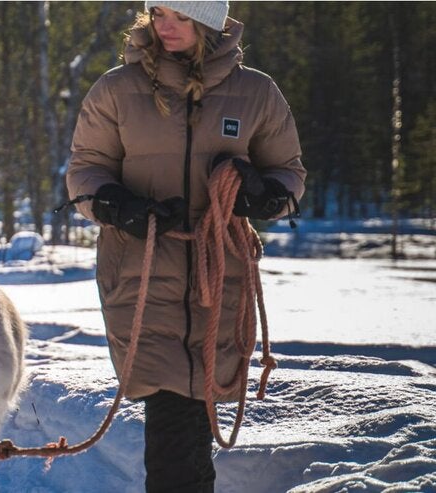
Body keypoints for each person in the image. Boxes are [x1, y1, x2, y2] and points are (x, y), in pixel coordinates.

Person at [66, 2, 306, 491]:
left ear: (210, 20)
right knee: (172, 404)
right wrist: (116, 205)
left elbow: (289, 172)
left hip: (222, 273)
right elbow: (86, 170)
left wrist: (264, 195)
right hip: (140, 268)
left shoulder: (256, 92)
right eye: (158, 14)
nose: (165, 27)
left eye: (180, 16)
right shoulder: (116, 89)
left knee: (196, 405)